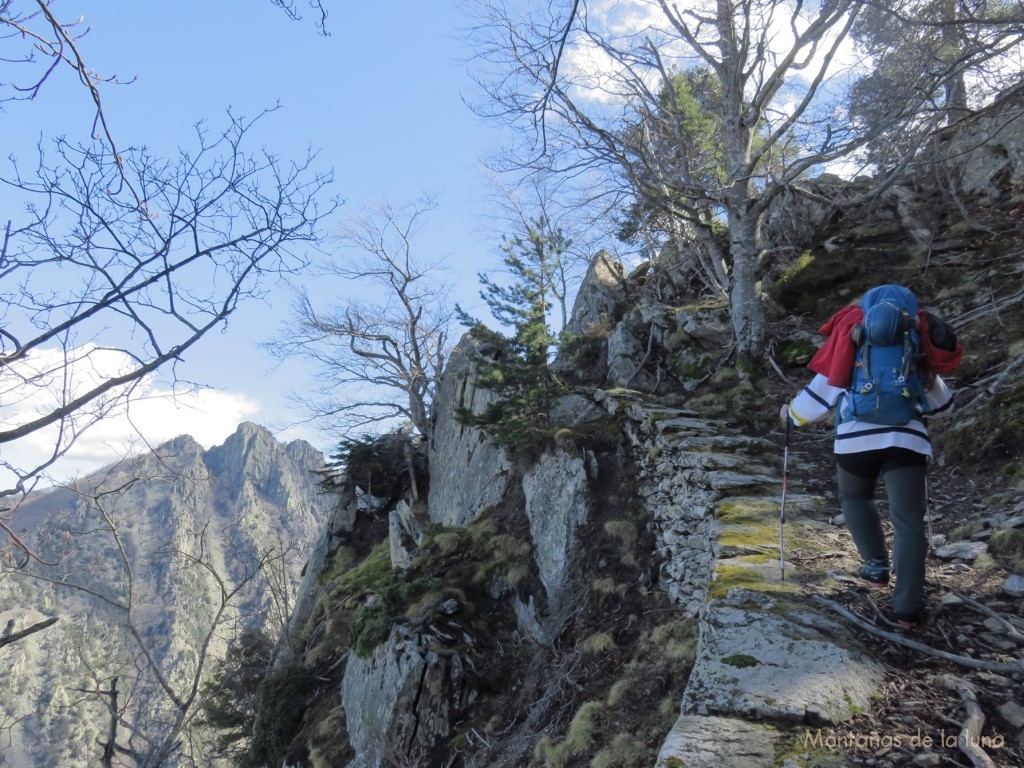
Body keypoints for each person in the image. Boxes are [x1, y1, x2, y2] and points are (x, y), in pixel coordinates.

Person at [782, 285, 958, 630]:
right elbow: (945, 407)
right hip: (907, 441)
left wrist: (790, 414)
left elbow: (815, 403)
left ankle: (875, 567)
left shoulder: (852, 340)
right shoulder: (916, 347)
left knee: (855, 498)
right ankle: (907, 607)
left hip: (855, 440)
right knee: (907, 520)